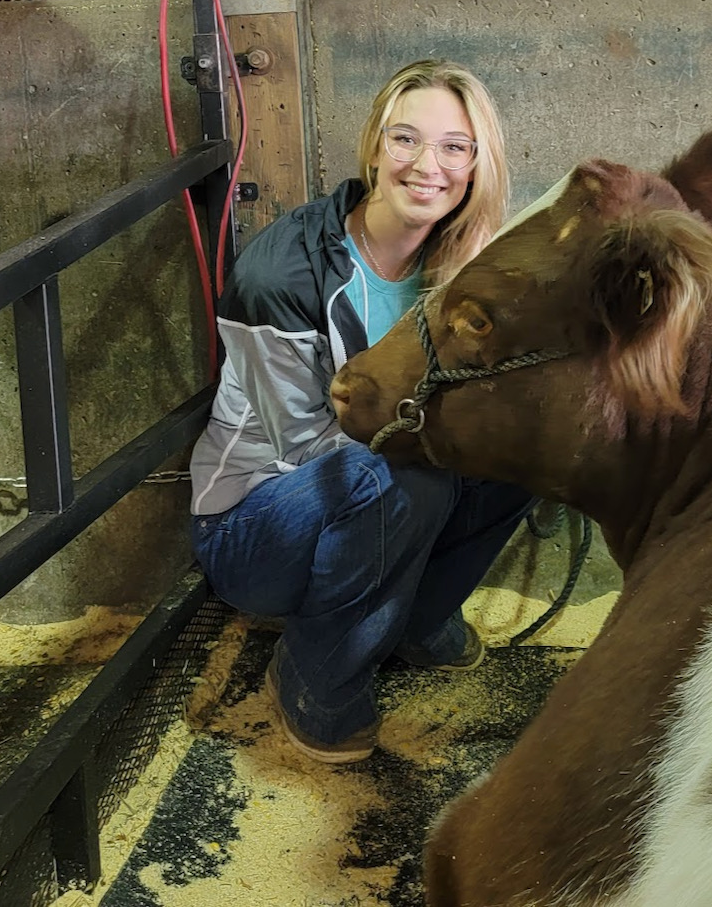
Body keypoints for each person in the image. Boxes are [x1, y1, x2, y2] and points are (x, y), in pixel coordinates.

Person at [188, 59, 535, 764]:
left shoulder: (461, 261)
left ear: (476, 165)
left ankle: (416, 619)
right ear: (375, 146)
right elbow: (302, 447)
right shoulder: (280, 274)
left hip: (385, 490)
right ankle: (318, 676)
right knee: (404, 475)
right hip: (256, 522)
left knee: (518, 449)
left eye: (453, 148)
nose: (426, 165)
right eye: (405, 139)